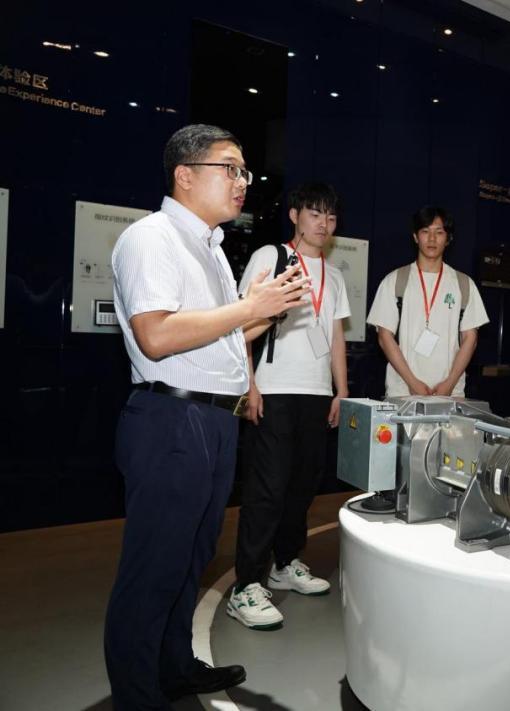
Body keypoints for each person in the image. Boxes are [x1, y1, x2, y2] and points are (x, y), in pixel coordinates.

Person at [105, 124, 309, 708]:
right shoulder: (152, 237)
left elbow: (219, 343)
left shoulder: (212, 248)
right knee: (153, 567)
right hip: (172, 419)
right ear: (185, 175)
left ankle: (173, 668)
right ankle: (137, 694)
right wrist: (249, 306)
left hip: (214, 421)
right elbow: (156, 336)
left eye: (246, 171)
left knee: (188, 559)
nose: (243, 181)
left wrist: (268, 311)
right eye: (231, 168)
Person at [227, 182, 351, 630]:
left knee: (302, 486)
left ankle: (285, 563)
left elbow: (335, 336)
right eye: (315, 214)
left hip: (316, 395)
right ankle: (246, 584)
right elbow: (242, 321)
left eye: (330, 217)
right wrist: (250, 385)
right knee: (267, 488)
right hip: (274, 390)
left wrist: (340, 391)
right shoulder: (270, 256)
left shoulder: (334, 276)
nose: (323, 224)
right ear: (295, 215)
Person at [367, 206, 489, 397]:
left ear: (448, 238)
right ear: (415, 237)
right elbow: (384, 337)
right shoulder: (395, 281)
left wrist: (449, 384)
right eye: (425, 231)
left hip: (450, 394)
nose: (432, 239)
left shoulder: (464, 284)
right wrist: (412, 382)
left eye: (439, 232)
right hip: (402, 392)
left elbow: (470, 339)